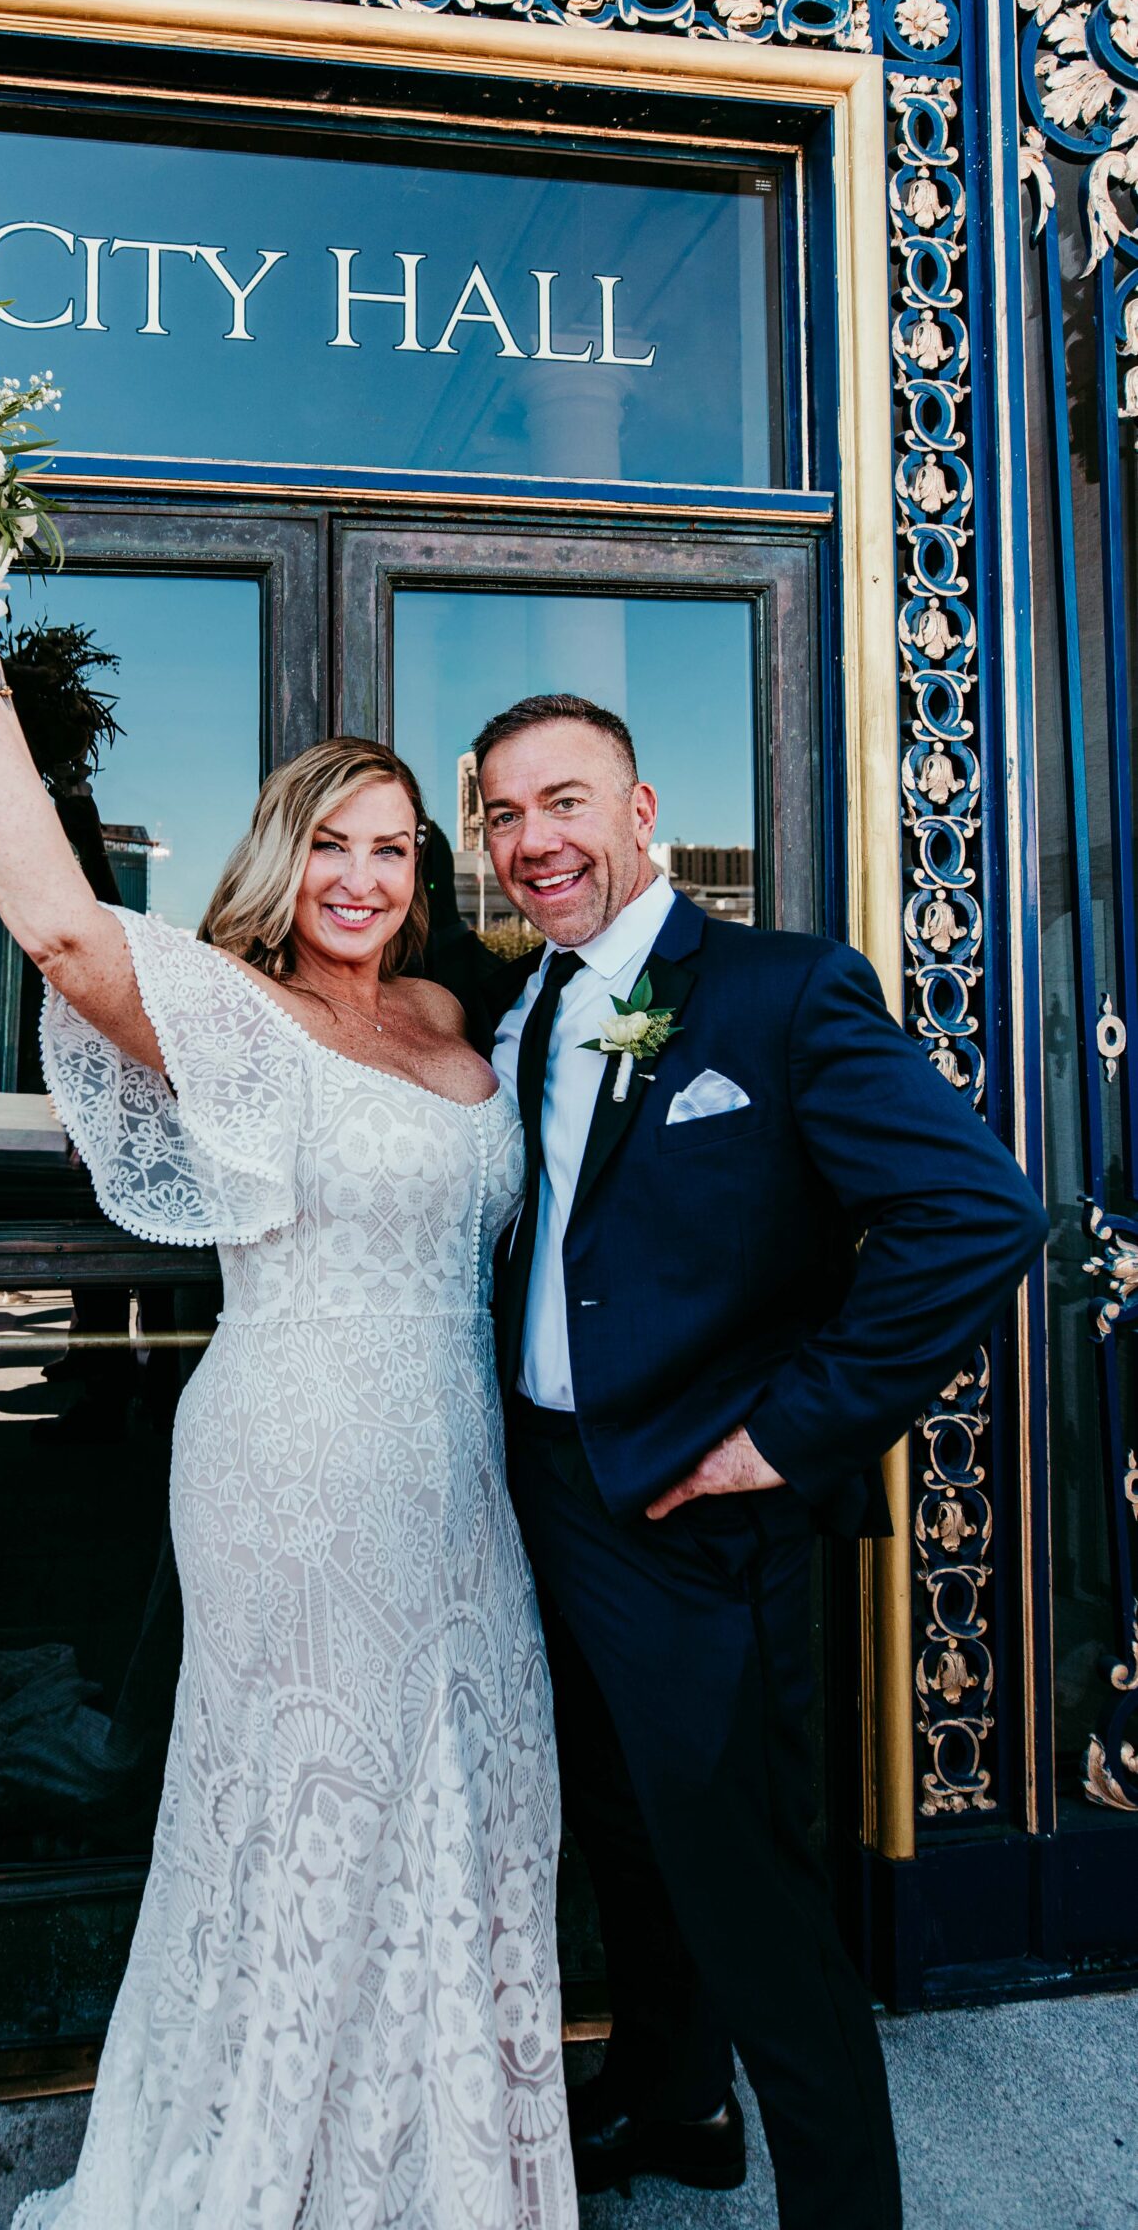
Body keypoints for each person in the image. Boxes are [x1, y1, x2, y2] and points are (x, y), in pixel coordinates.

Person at [0, 509, 577, 2230]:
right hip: (294, 1460)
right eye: (333, 843)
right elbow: (50, 924)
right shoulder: (237, 1012)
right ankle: (267, 2174)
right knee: (309, 1807)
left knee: (477, 1783)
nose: (363, 878)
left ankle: (436, 2172)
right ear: (284, 850)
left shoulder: (453, 1019)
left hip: (453, 1471)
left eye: (398, 849)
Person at [465, 691, 1048, 2230]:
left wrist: (778, 1438)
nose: (536, 843)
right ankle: (677, 2106)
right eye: (507, 816)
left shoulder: (782, 994)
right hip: (545, 1499)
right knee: (623, 1839)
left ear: (644, 811)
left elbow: (976, 1216)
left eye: (566, 803)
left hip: (697, 1522)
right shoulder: (518, 1006)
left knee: (756, 1901)